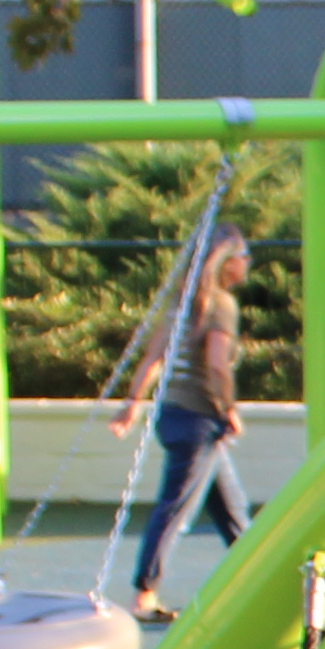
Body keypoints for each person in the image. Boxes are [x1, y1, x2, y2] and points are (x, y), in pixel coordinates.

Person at [110, 228, 251, 621]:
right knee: (176, 508)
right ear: (227, 261)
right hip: (200, 420)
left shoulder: (179, 304)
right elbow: (217, 365)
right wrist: (229, 409)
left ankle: (258, 578)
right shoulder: (220, 305)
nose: (248, 263)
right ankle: (144, 593)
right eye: (244, 254)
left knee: (232, 509)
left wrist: (133, 403)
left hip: (173, 413)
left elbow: (153, 358)